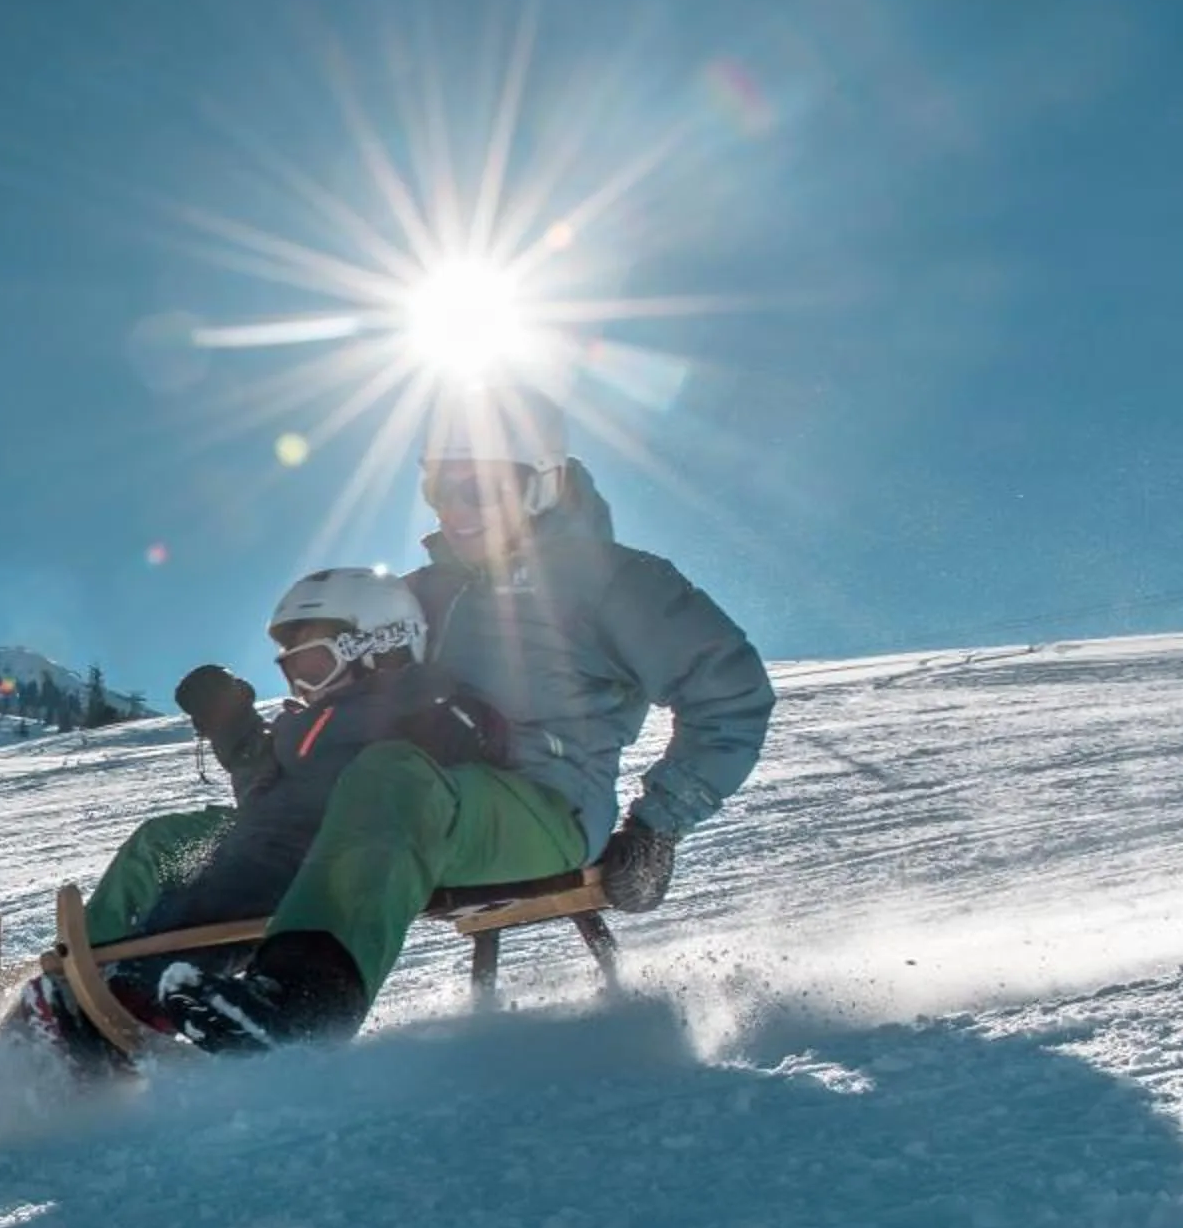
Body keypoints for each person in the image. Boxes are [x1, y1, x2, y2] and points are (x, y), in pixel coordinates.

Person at [157, 380, 774, 1055]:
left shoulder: (613, 580)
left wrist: (658, 827)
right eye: (440, 489)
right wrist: (243, 741)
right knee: (184, 837)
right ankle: (110, 1001)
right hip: (407, 813)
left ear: (539, 483)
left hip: (544, 811)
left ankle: (303, 1003)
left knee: (393, 773)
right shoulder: (414, 596)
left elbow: (730, 695)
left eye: (480, 488)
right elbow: (341, 734)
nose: (457, 509)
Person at [21, 567, 509, 1059]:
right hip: (275, 831)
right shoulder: (312, 719)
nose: (301, 683)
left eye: (315, 665)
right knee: (164, 840)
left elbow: (443, 763)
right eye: (290, 671)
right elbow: (266, 785)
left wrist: (455, 725)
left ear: (384, 644)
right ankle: (90, 971)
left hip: (331, 841)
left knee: (236, 869)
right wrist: (228, 722)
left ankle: (134, 991)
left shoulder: (418, 701)